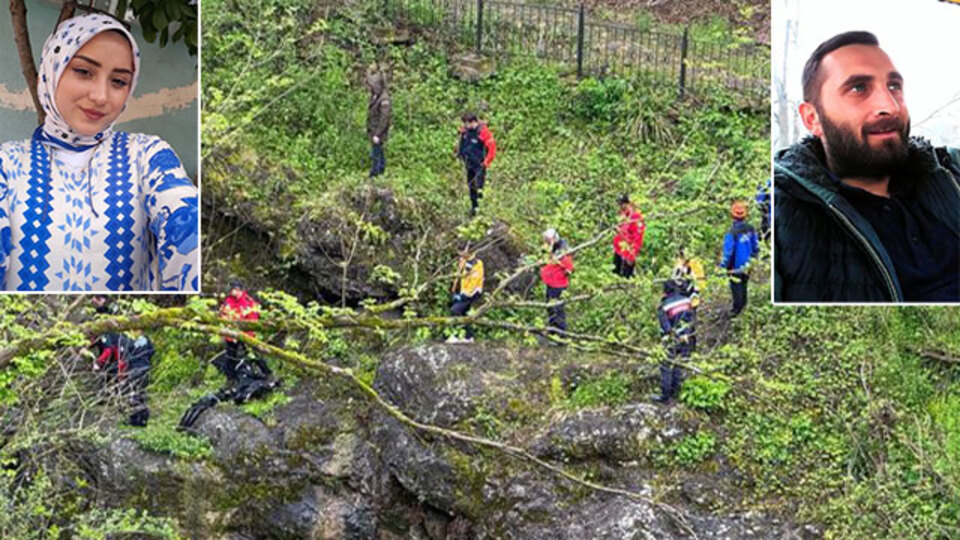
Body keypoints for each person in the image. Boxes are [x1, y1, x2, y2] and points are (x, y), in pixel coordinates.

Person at [0, 13, 199, 291]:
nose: (101, 96)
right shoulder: (7, 166)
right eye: (84, 72)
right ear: (51, 70)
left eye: (118, 81)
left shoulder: (147, 156)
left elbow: (185, 220)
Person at [774, 31, 960, 302]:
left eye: (894, 86)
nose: (889, 106)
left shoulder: (950, 171)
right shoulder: (781, 212)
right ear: (812, 118)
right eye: (858, 88)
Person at [179, 282, 279, 430]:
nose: (234, 293)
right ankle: (230, 379)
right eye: (232, 290)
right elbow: (223, 316)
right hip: (230, 336)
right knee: (230, 358)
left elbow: (253, 318)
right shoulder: (228, 302)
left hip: (246, 335)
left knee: (255, 355)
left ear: (240, 290)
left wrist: (245, 333)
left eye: (236, 290)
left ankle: (268, 374)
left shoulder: (248, 302)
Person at [92, 327, 154, 427]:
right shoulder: (147, 341)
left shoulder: (128, 341)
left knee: (133, 394)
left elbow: (123, 358)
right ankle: (141, 419)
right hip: (145, 368)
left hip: (134, 369)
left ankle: (137, 420)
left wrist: (121, 374)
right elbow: (151, 353)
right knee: (140, 392)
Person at [652, 278, 696, 404]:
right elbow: (692, 320)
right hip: (687, 338)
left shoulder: (664, 306)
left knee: (666, 365)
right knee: (680, 364)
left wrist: (671, 336)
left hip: (671, 339)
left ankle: (665, 396)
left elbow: (665, 327)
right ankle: (676, 392)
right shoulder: (687, 301)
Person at [719, 201, 759, 316]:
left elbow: (728, 252)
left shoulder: (731, 233)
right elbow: (755, 245)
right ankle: (743, 307)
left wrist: (722, 267)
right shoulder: (750, 228)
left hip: (735, 266)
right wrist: (754, 258)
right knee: (744, 285)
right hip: (748, 264)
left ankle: (737, 310)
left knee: (736, 287)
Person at [455, 113, 496, 215]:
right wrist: (460, 155)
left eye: (467, 123)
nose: (465, 125)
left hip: (479, 164)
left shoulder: (483, 132)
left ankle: (482, 209)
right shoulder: (465, 131)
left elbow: (492, 149)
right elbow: (462, 144)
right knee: (471, 185)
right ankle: (474, 208)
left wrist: (486, 163)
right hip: (469, 163)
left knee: (479, 187)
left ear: (473, 122)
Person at [540, 228, 574, 338]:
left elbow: (569, 269)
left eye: (547, 240)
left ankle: (561, 335)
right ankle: (552, 330)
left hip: (558, 285)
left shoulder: (563, 251)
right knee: (550, 307)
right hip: (551, 283)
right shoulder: (553, 247)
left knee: (558, 309)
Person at [447, 247, 484, 343]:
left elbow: (475, 281)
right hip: (462, 291)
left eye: (461, 251)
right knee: (462, 313)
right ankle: (468, 336)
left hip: (472, 293)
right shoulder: (463, 260)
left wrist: (465, 295)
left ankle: (457, 335)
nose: (459, 253)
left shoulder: (477, 263)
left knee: (455, 310)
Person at [366, 64, 391, 178]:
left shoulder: (384, 99)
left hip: (379, 132)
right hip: (373, 130)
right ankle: (380, 171)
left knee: (376, 153)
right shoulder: (375, 96)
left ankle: (375, 173)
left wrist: (377, 134)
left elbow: (384, 118)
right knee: (378, 151)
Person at [612, 194, 646, 278]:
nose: (620, 207)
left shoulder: (635, 217)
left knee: (625, 279)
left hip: (627, 253)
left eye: (622, 204)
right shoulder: (622, 217)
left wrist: (632, 255)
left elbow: (638, 238)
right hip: (618, 252)